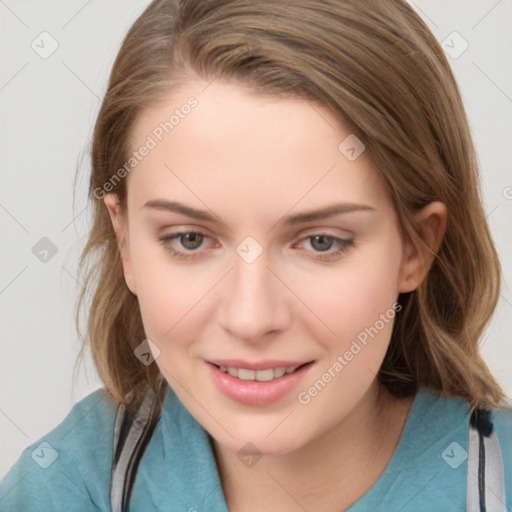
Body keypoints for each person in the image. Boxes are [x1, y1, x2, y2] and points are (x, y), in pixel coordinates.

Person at [1, 0, 511, 510]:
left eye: (321, 242)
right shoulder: (62, 489)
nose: (251, 318)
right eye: (190, 239)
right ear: (125, 243)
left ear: (417, 247)